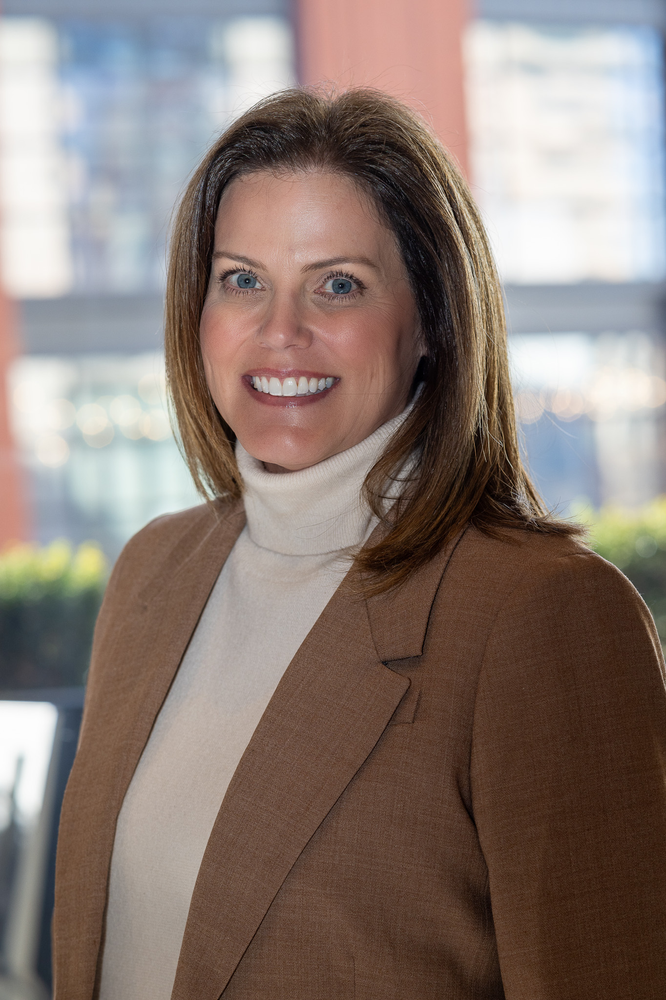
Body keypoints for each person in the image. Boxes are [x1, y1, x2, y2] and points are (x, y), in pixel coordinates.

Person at [53, 89, 666, 1000]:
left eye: (337, 284)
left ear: (432, 321)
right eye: (242, 280)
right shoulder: (152, 573)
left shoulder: (541, 615)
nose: (280, 332)